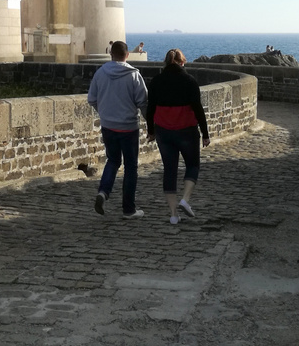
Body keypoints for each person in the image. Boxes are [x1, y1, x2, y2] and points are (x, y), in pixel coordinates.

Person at [146, 49, 210, 225]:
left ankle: (173, 214)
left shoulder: (157, 81)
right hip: (187, 131)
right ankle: (185, 199)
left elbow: (150, 108)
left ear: (166, 63)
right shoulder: (189, 81)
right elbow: (198, 109)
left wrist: (150, 131)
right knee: (193, 165)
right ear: (182, 63)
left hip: (164, 132)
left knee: (170, 170)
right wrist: (205, 133)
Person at [88, 40, 148, 218]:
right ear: (127, 55)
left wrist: (104, 113)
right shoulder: (134, 75)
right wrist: (151, 126)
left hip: (108, 126)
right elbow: (143, 102)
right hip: (128, 127)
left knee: (113, 161)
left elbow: (92, 99)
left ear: (110, 54)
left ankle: (103, 192)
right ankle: (128, 209)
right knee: (130, 167)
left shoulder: (100, 73)